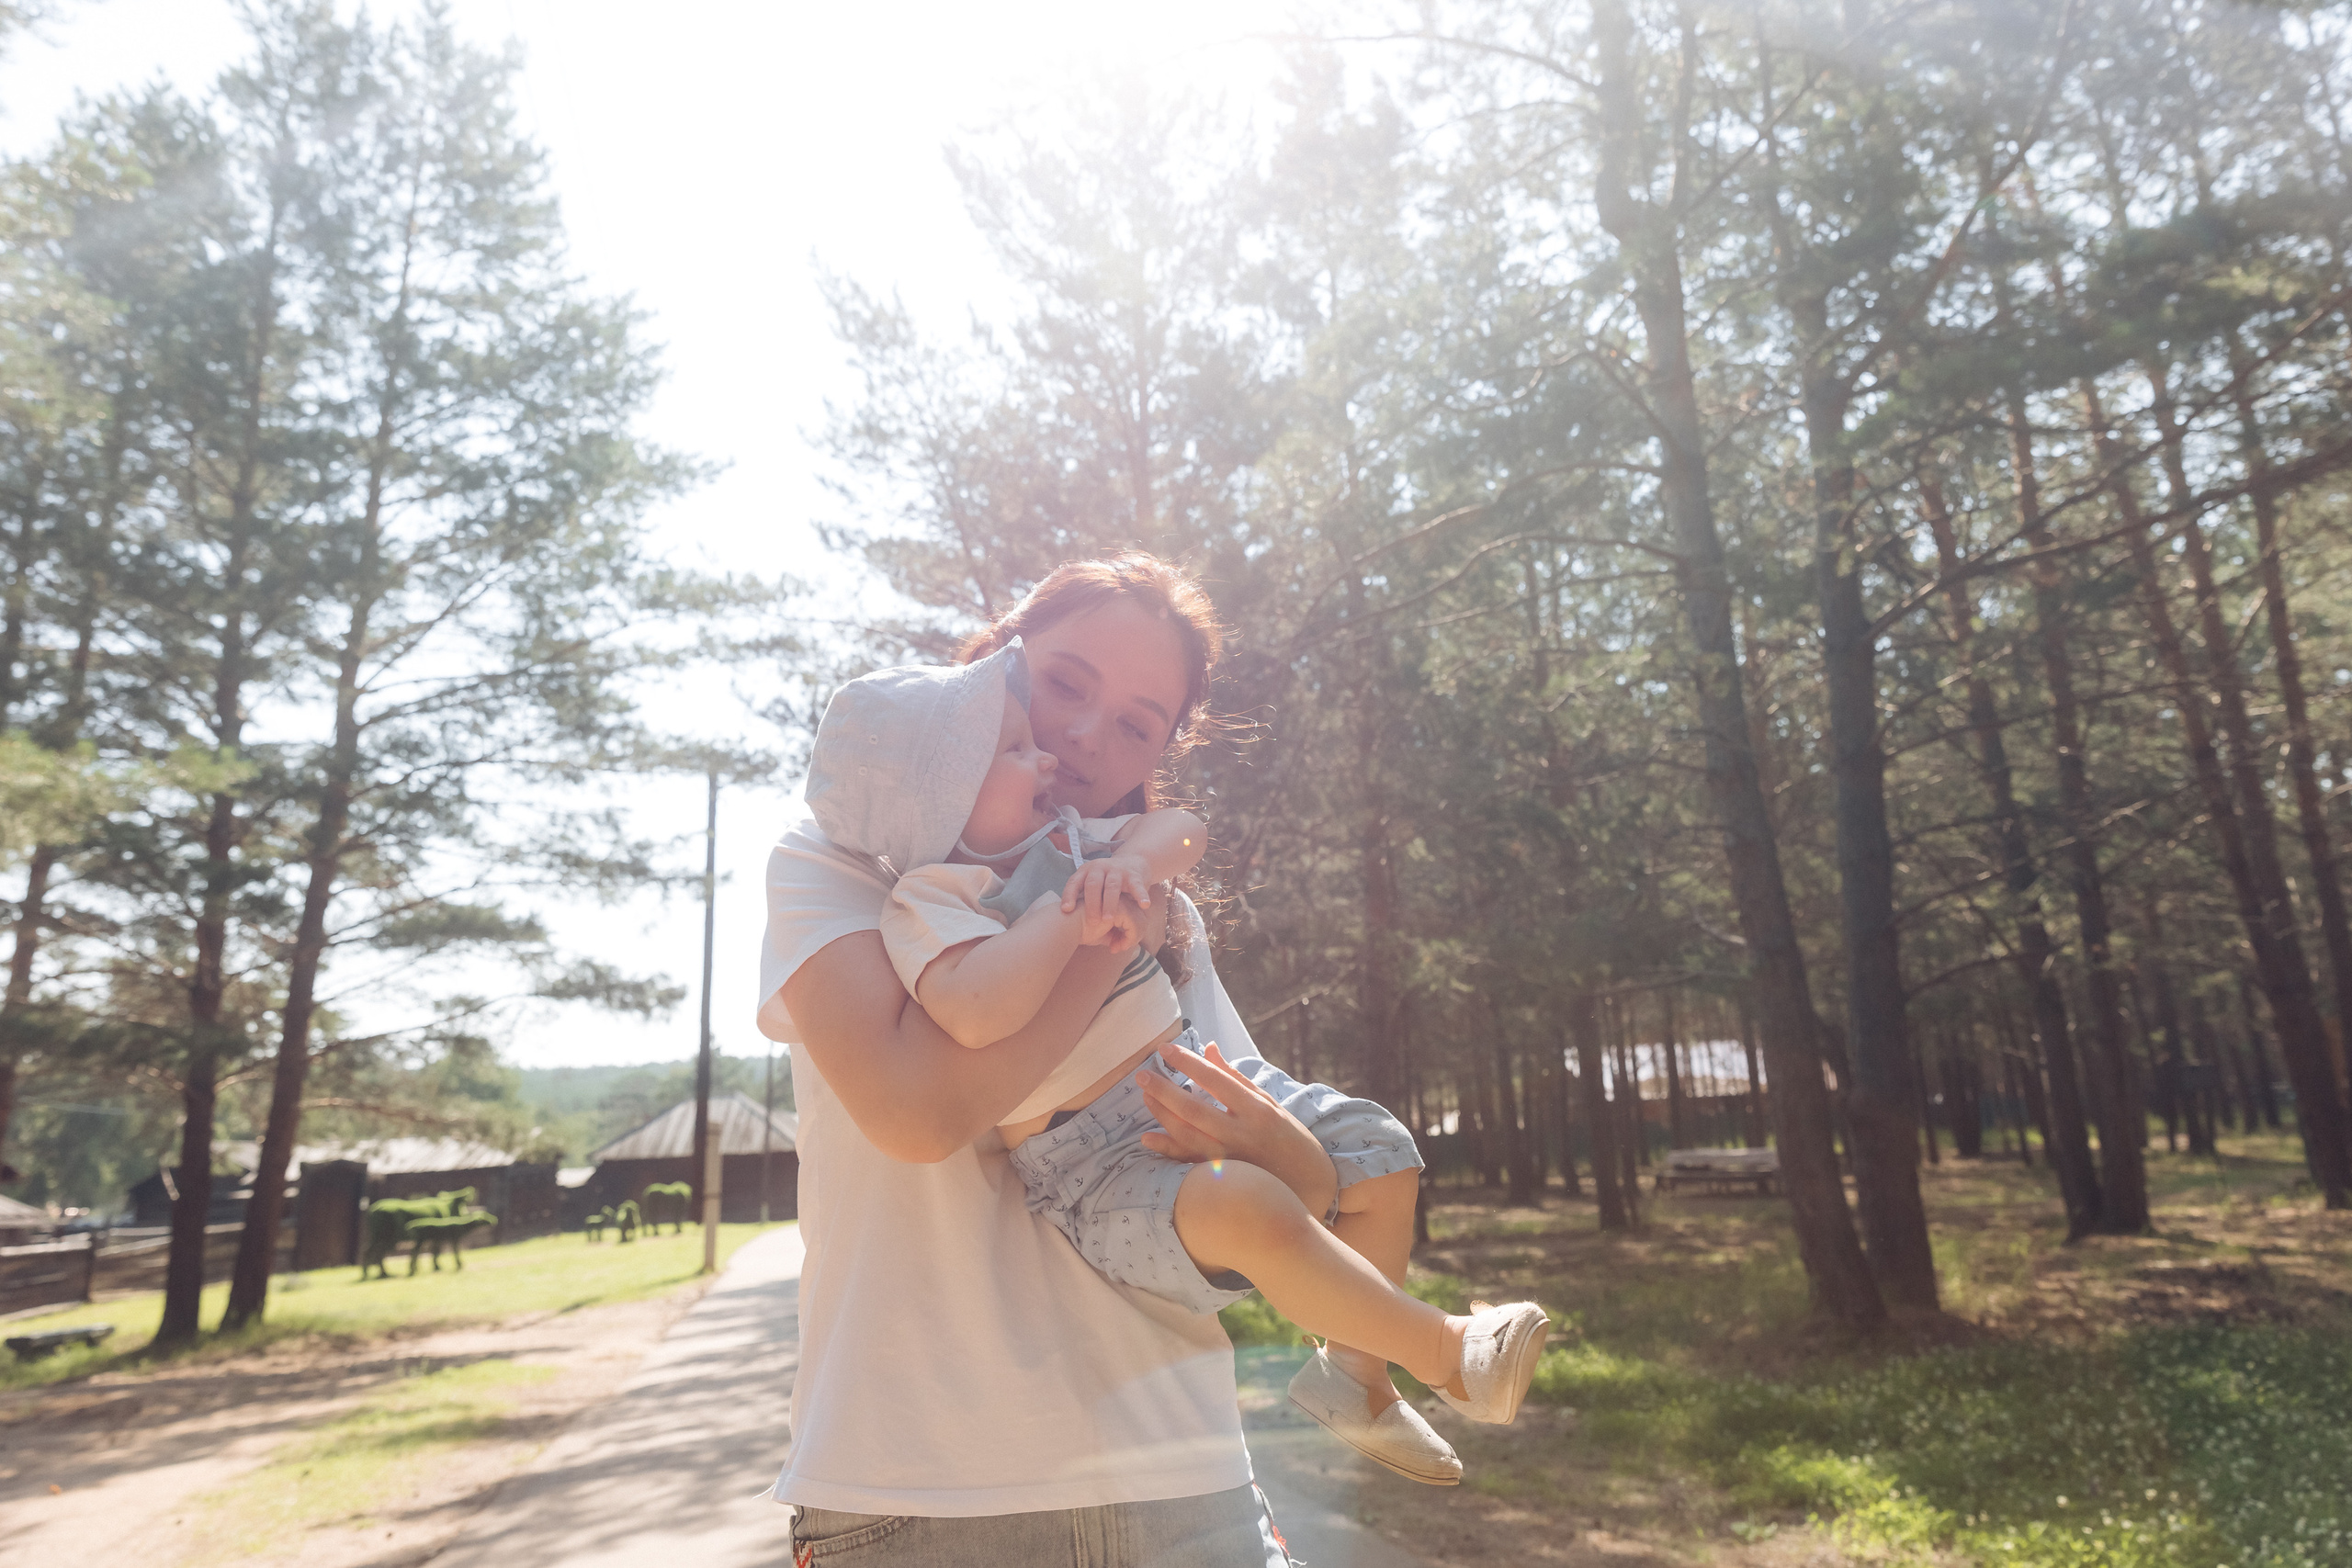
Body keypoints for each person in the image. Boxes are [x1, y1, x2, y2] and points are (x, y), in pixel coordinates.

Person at [797, 636, 1551, 1501]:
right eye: (1015, 748)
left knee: (1381, 1150)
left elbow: (1184, 829)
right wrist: (1067, 920)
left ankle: (1359, 1375)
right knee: (1246, 1204)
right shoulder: (931, 901)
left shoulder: (1074, 836)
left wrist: (1129, 862)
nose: (1048, 756)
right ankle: (1448, 1351)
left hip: (1187, 1076)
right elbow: (973, 1010)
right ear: (943, 798)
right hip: (1094, 1154)